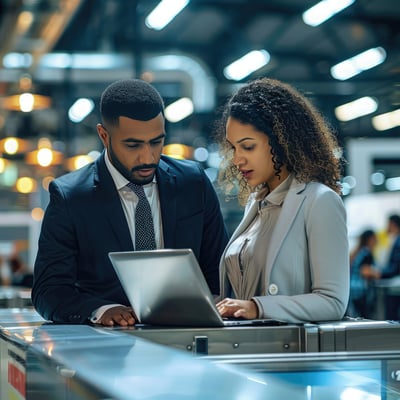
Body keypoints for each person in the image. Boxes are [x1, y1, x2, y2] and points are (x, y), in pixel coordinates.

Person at [32, 79, 229, 326]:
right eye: (133, 145)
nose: (147, 157)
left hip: (190, 335)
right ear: (104, 136)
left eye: (156, 142)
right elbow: (48, 291)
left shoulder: (193, 183)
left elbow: (220, 273)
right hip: (109, 347)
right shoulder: (71, 197)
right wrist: (102, 310)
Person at [214, 77, 349, 323]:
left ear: (282, 141)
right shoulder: (255, 204)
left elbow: (333, 301)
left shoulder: (320, 201)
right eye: (234, 148)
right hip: (245, 349)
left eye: (248, 147)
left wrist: (258, 307)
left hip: (290, 353)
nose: (237, 159)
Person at [362, 214, 400, 320]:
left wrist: (380, 274)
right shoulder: (392, 240)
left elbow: (396, 266)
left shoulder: (397, 241)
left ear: (392, 224)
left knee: (392, 316)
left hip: (394, 285)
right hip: (391, 283)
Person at [347, 229, 378, 318]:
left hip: (352, 288)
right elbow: (365, 271)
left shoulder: (357, 252)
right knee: (364, 316)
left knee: (356, 316)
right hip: (360, 289)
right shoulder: (366, 252)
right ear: (370, 239)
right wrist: (377, 274)